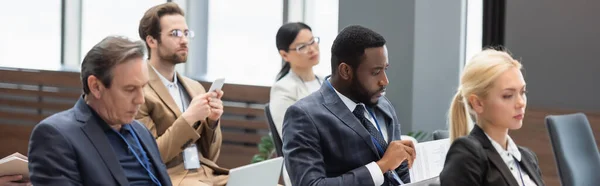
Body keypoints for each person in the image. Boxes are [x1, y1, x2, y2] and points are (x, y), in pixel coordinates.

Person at [28, 36, 172, 186]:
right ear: (96, 87)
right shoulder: (56, 136)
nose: (141, 100)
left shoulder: (141, 131)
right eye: (130, 89)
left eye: (143, 87)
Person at [282, 25, 415, 186]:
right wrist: (381, 167)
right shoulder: (304, 116)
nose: (385, 81)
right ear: (345, 71)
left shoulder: (382, 105)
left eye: (385, 69)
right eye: (375, 72)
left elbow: (400, 170)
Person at [136, 2, 227, 186]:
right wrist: (189, 118)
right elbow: (152, 156)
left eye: (186, 33)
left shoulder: (195, 88)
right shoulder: (139, 91)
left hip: (207, 175)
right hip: (173, 178)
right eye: (175, 34)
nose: (184, 40)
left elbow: (210, 156)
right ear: (152, 41)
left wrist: (212, 122)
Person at [439, 49, 545, 186]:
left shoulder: (527, 158)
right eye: (507, 95)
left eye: (522, 92)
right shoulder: (468, 154)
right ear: (477, 103)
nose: (521, 102)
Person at [270, 22, 323, 138]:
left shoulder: (326, 82)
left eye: (312, 41)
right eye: (302, 47)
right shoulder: (283, 88)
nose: (312, 49)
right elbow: (291, 136)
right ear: (284, 55)